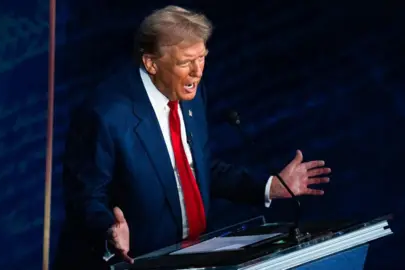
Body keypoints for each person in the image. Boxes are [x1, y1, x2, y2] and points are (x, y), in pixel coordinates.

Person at [55, 5, 330, 270]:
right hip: (135, 262)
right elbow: (85, 197)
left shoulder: (190, 95)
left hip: (192, 258)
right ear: (151, 63)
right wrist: (109, 230)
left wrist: (270, 186)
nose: (198, 72)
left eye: (202, 58)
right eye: (186, 62)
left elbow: (196, 169)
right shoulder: (105, 115)